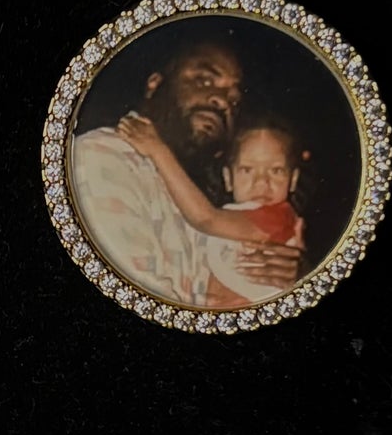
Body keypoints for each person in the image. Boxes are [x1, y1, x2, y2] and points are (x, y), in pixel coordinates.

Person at [65, 35, 301, 307]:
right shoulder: (102, 156)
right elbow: (138, 300)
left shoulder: (192, 189)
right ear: (155, 84)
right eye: (204, 80)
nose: (222, 101)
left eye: (234, 100)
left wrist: (288, 277)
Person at [115, 111, 308, 307]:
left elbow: (205, 219)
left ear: (293, 180)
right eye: (247, 170)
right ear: (228, 179)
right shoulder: (235, 214)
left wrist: (158, 151)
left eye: (276, 170)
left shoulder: (279, 216)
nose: (261, 182)